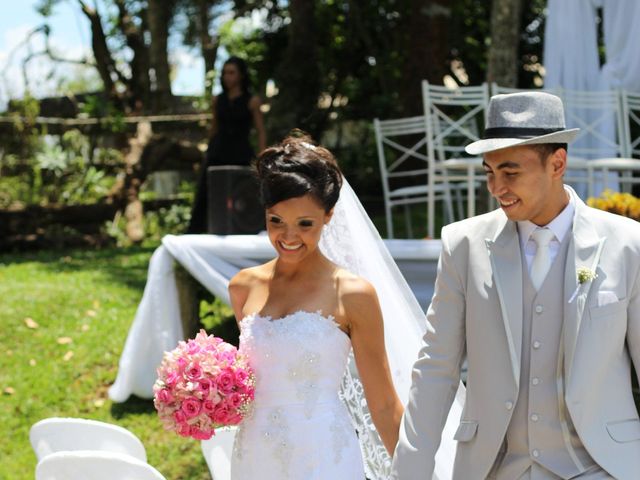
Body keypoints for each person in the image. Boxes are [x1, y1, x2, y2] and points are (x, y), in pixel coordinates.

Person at [392, 91, 640, 479]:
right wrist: (409, 473)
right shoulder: (464, 245)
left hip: (601, 466)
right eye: (490, 173)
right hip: (496, 467)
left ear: (557, 163)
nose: (496, 187)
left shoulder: (628, 244)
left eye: (511, 172)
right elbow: (436, 369)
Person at [226, 134, 404, 479]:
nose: (288, 237)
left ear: (328, 216)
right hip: (254, 456)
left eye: (304, 224)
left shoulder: (352, 293)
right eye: (276, 221)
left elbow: (382, 405)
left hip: (323, 456)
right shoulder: (243, 287)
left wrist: (416, 471)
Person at [187, 56, 267, 233]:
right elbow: (214, 128)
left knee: (244, 193)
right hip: (218, 152)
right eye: (224, 73)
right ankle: (202, 233)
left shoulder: (252, 100)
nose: (227, 77)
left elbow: (260, 131)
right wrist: (207, 151)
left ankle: (245, 231)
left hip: (241, 152)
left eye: (231, 73)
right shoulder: (218, 100)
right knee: (208, 193)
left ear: (241, 75)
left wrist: (262, 157)